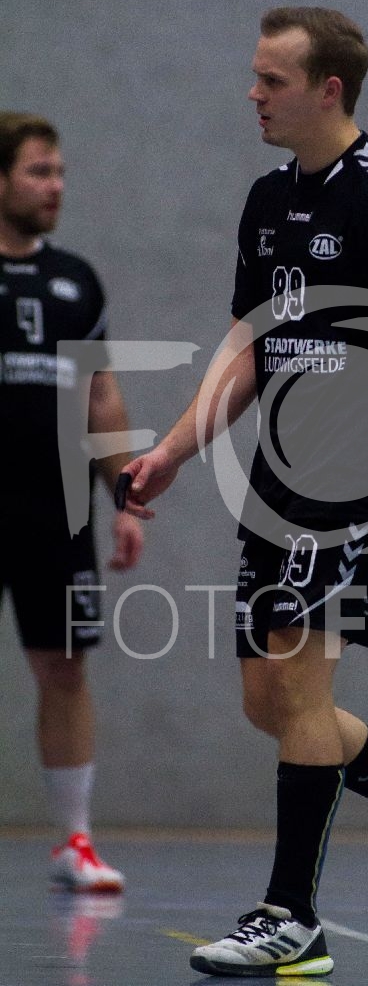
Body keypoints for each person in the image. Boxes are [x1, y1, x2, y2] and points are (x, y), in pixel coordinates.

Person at [120, 7, 368, 977]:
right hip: (281, 478)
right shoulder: (267, 200)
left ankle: (289, 916)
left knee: (300, 687)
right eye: (255, 77)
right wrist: (174, 450)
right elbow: (248, 349)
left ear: (328, 89)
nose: (253, 95)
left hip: (362, 476)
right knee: (272, 702)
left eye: (273, 81)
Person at [0, 112, 143, 891]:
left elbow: (101, 398)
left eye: (59, 172)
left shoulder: (76, 281)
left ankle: (76, 842)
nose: (55, 186)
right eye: (38, 171)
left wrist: (124, 494)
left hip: (54, 510)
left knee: (63, 665)